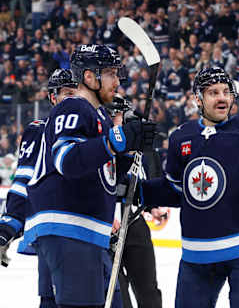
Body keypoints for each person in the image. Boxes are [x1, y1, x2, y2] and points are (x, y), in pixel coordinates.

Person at [131, 67, 239, 308]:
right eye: (213, 92)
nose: (222, 97)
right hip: (197, 256)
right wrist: (138, 191)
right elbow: (177, 190)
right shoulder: (180, 137)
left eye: (226, 91)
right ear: (198, 99)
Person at [23, 44, 155, 308]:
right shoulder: (74, 106)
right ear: (89, 76)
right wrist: (118, 140)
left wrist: (128, 160)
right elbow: (66, 160)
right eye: (110, 73)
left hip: (90, 235)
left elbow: (103, 174)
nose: (118, 81)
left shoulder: (98, 118)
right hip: (70, 229)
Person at [0, 68, 77, 307]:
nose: (73, 98)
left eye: (77, 93)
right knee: (53, 300)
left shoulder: (96, 128)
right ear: (53, 97)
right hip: (54, 230)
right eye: (66, 93)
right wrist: (8, 226)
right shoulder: (40, 129)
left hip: (92, 231)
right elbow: (25, 180)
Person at [106, 94, 164, 308]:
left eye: (120, 113)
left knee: (148, 289)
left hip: (134, 220)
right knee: (118, 293)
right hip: (105, 225)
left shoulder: (140, 144)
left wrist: (154, 205)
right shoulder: (99, 142)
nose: (116, 118)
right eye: (112, 113)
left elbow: (148, 177)